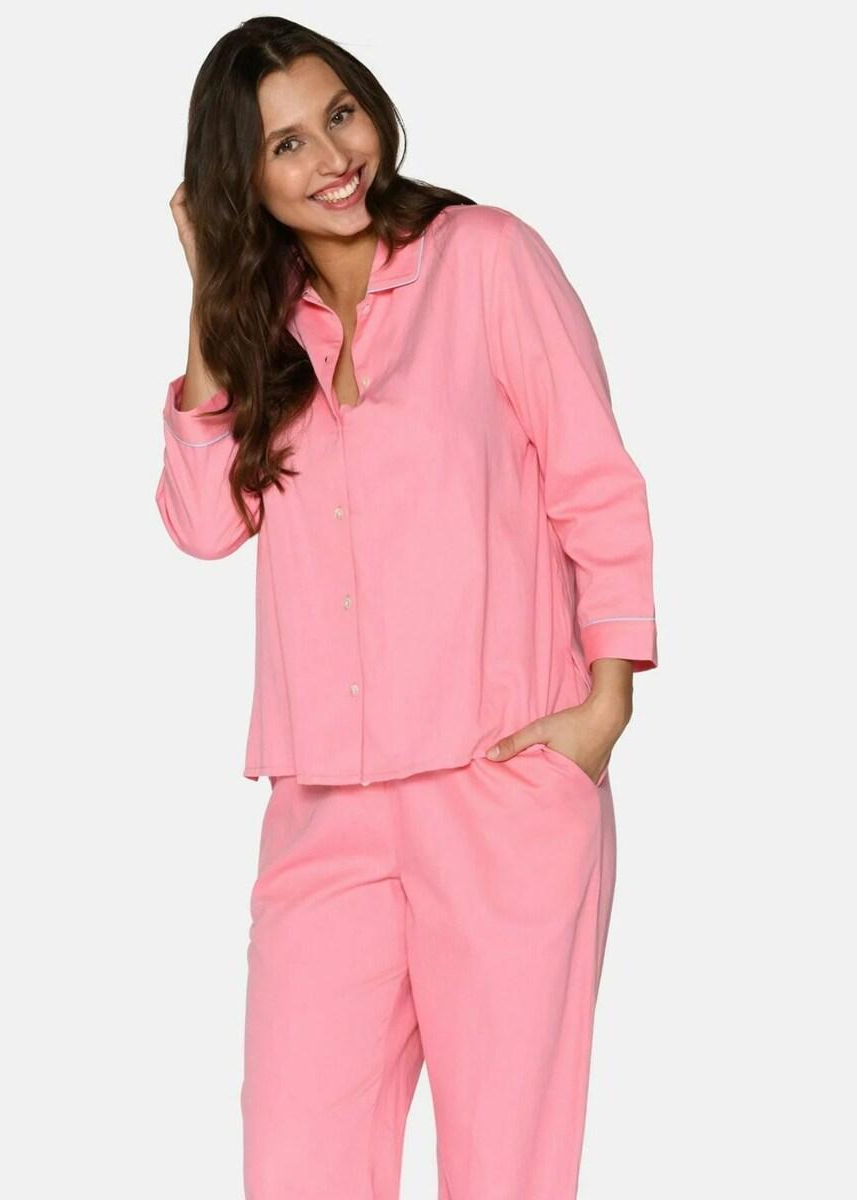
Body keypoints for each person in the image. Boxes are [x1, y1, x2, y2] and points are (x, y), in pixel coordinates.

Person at [155, 16, 658, 1200]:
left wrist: (605, 708)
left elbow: (595, 483)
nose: (332, 156)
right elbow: (204, 523)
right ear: (241, 179)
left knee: (504, 1171)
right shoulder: (265, 325)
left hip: (502, 788)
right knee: (296, 1165)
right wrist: (211, 290)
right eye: (284, 144)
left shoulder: (486, 258)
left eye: (340, 114)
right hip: (324, 810)